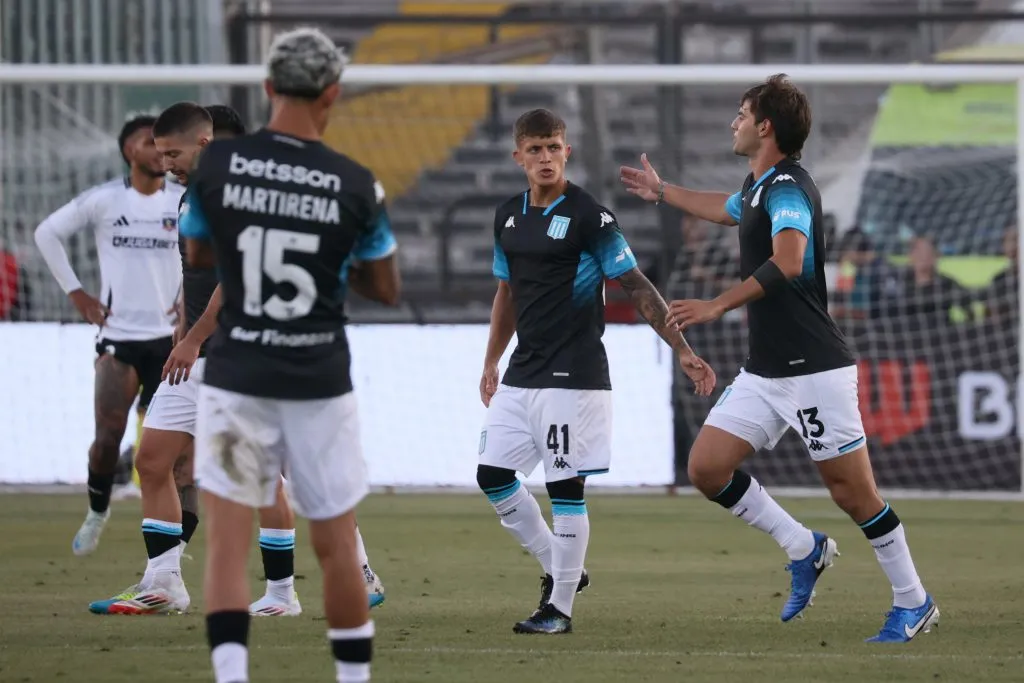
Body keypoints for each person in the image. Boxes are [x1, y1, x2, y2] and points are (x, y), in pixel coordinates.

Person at [619, 73, 938, 643]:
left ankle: (914, 601)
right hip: (767, 370)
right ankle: (803, 546)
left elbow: (789, 261)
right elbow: (724, 208)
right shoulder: (760, 185)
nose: (733, 122)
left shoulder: (789, 186)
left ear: (764, 126)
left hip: (814, 370)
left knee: (853, 494)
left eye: (741, 113)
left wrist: (718, 303)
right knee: (707, 468)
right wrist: (663, 191)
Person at [180, 28, 398, 683]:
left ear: (269, 88)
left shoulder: (214, 168)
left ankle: (231, 674)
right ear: (333, 92)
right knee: (335, 544)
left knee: (225, 539)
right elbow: (385, 288)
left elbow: (199, 255)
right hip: (319, 380)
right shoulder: (357, 183)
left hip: (239, 374)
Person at [478, 108, 715, 635]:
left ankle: (558, 609)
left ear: (568, 152)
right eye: (535, 148)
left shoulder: (590, 216)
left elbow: (636, 286)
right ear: (518, 156)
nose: (545, 157)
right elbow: (506, 295)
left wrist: (681, 348)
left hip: (574, 374)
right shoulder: (507, 217)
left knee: (565, 489)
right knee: (492, 476)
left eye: (553, 146)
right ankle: (563, 569)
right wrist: (492, 360)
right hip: (522, 372)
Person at [34, 115, 184, 556]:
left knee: (177, 454)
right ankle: (98, 510)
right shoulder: (104, 200)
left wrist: (189, 299)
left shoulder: (182, 200)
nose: (158, 150)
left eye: (163, 144)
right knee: (107, 438)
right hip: (119, 339)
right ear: (128, 151)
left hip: (172, 342)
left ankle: (175, 548)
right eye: (147, 142)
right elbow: (46, 233)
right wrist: (78, 293)